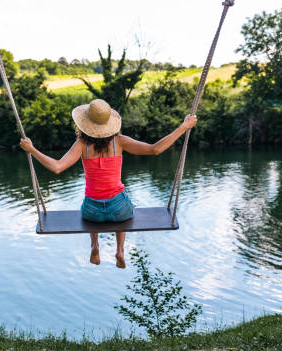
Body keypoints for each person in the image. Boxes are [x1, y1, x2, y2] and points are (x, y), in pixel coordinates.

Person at [20, 99, 197, 268]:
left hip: (92, 212)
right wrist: (184, 127)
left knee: (90, 200)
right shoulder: (120, 142)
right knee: (123, 199)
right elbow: (155, 149)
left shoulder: (82, 145)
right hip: (119, 211)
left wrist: (32, 149)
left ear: (84, 124)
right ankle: (119, 250)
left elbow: (57, 167)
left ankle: (94, 246)